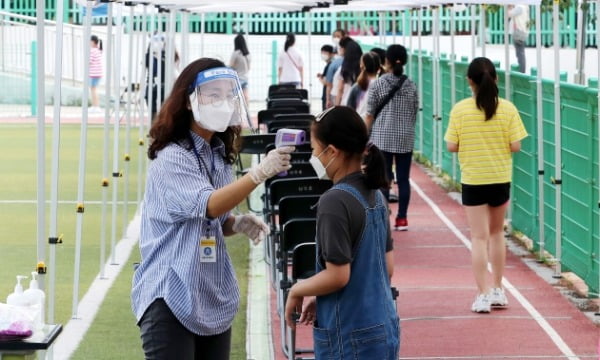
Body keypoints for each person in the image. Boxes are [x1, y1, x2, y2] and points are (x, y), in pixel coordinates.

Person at [131, 58, 295, 359]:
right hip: (170, 292)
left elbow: (214, 219)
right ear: (189, 101)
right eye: (213, 95)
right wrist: (258, 174)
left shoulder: (217, 156)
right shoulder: (172, 157)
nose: (224, 102)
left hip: (210, 293)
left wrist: (235, 223)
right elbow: (206, 205)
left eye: (228, 94)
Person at [284, 106, 399, 359]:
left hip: (350, 336)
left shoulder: (334, 201)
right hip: (383, 327)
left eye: (315, 150)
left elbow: (338, 276)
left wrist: (297, 290)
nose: (314, 157)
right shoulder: (377, 196)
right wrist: (324, 298)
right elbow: (386, 268)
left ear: (332, 152)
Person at [444, 57, 527, 313]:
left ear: (469, 81)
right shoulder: (508, 109)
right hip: (500, 177)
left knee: (478, 238)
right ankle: (499, 289)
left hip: (473, 179)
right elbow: (516, 145)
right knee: (496, 234)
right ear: (496, 79)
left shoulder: (460, 109)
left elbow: (451, 145)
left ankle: (482, 294)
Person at [365, 44, 419, 231]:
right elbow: (414, 112)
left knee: (383, 179)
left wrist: (365, 136)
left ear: (385, 61)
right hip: (405, 137)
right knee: (403, 179)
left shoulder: (378, 83)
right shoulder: (411, 84)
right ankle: (402, 218)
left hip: (382, 137)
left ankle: (383, 218)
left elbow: (370, 113)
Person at [145, 33, 180, 121]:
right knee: (149, 100)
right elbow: (147, 65)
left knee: (163, 104)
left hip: (165, 83)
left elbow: (174, 67)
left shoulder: (170, 55)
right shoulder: (150, 56)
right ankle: (154, 124)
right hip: (152, 82)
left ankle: (161, 124)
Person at [346, 51, 380, 119]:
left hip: (360, 125)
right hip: (379, 126)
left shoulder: (358, 86)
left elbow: (349, 110)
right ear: (379, 67)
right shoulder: (383, 85)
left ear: (361, 66)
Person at [333, 37, 362, 106]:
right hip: (360, 104)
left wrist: (336, 106)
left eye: (341, 48)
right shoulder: (362, 68)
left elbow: (340, 90)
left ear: (346, 50)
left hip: (346, 104)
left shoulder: (344, 69)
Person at [324, 29, 346, 108]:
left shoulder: (341, 60)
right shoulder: (333, 52)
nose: (336, 38)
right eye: (334, 36)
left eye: (338, 36)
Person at [229, 33, 251, 103]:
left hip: (237, 79)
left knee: (235, 98)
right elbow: (249, 68)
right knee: (245, 98)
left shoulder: (236, 53)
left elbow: (231, 66)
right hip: (245, 78)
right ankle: (247, 113)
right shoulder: (247, 54)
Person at [507, 4, 529, 73]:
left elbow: (509, 14)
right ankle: (522, 71)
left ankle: (522, 72)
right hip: (522, 32)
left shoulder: (519, 7)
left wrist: (509, 7)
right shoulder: (525, 6)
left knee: (520, 54)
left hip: (518, 33)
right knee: (520, 53)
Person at [317, 45, 335, 111]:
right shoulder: (329, 65)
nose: (323, 55)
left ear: (331, 54)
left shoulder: (330, 66)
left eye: (325, 53)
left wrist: (320, 79)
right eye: (322, 53)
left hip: (328, 96)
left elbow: (326, 82)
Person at [89, 35, 102, 113]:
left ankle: (96, 106)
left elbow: (89, 61)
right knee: (94, 89)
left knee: (93, 89)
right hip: (97, 73)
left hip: (94, 73)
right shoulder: (98, 50)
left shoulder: (93, 50)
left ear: (93, 42)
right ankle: (95, 106)